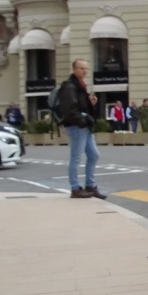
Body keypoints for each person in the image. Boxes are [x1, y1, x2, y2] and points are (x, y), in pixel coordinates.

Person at [56, 59, 105, 199]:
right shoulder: (69, 86)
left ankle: (90, 185)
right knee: (76, 158)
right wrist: (82, 121)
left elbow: (81, 107)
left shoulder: (80, 86)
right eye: (81, 68)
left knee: (94, 155)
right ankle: (75, 188)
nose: (84, 71)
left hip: (85, 126)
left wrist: (91, 105)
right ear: (74, 69)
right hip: (77, 127)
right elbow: (70, 109)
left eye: (86, 68)